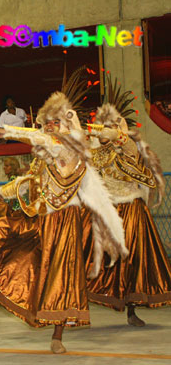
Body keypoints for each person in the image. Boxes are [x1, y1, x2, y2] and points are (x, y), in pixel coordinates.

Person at [0, 68, 128, 354]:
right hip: (46, 217)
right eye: (48, 123)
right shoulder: (50, 150)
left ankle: (57, 333)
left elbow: (100, 134)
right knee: (23, 252)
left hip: (70, 222)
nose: (51, 128)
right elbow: (37, 154)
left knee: (62, 275)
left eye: (56, 122)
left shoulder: (77, 141)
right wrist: (5, 186)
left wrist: (117, 132)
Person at [83, 76, 171, 326]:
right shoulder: (96, 151)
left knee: (133, 261)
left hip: (132, 211)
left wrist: (112, 131)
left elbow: (121, 142)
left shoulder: (129, 146)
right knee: (90, 255)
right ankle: (75, 300)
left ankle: (131, 309)